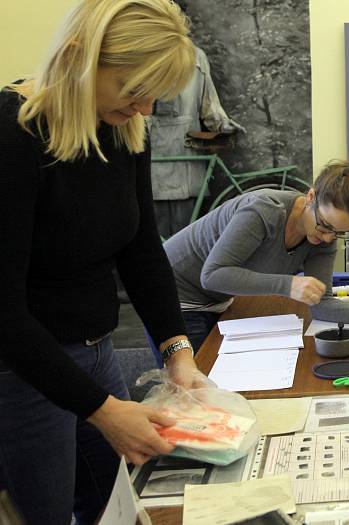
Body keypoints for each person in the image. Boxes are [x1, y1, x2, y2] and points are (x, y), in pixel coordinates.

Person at [0, 1, 208, 523]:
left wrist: (177, 349)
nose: (144, 110)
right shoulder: (12, 135)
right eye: (134, 91)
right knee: (47, 512)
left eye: (154, 96)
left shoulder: (118, 125)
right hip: (21, 366)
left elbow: (141, 249)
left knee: (116, 504)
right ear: (78, 58)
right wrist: (105, 411)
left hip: (98, 351)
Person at [160, 156, 349, 355]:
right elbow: (213, 275)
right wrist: (288, 285)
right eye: (324, 225)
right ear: (311, 196)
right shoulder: (263, 212)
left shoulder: (324, 239)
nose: (327, 238)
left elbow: (322, 305)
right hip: (174, 294)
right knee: (194, 386)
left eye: (340, 233)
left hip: (218, 299)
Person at [150, 44, 244, 239]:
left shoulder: (194, 56)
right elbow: (210, 109)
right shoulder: (192, 55)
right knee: (162, 234)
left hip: (180, 157)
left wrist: (223, 126)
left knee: (180, 232)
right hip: (160, 160)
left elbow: (209, 105)